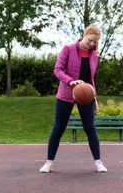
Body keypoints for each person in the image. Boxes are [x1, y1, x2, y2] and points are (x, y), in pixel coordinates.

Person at [39, 24, 107, 173]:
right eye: (90, 40)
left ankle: (98, 162)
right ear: (85, 35)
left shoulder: (94, 55)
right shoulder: (68, 49)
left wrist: (94, 98)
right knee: (59, 128)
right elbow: (57, 69)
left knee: (90, 128)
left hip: (85, 95)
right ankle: (48, 163)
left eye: (95, 42)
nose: (92, 44)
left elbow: (91, 79)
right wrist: (70, 81)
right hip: (66, 94)